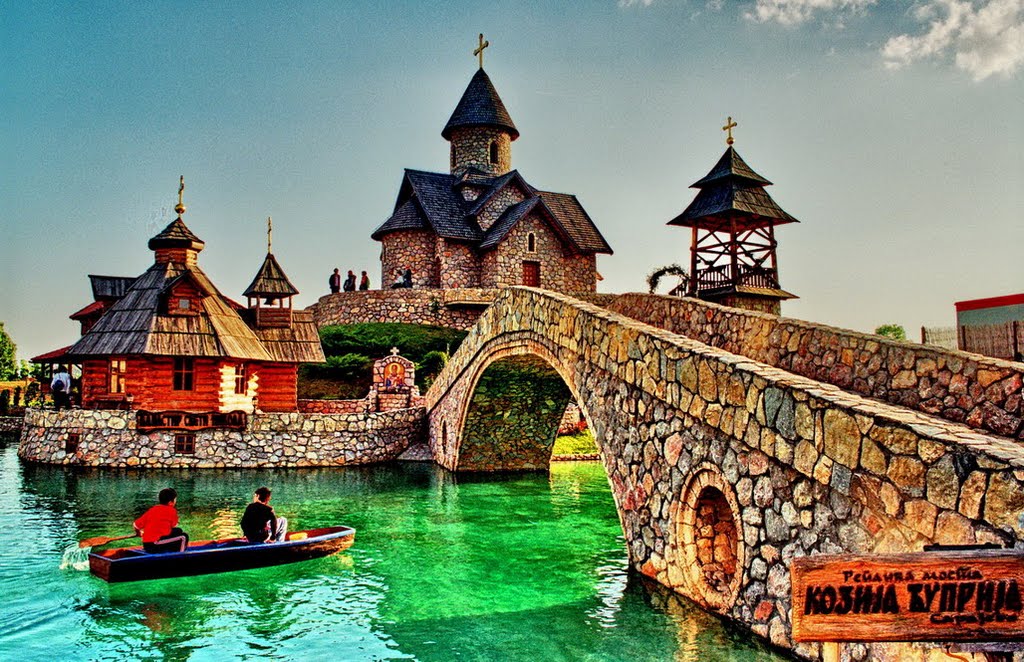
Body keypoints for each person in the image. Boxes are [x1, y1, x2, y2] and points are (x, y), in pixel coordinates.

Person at [134, 487, 189, 553]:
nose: (175, 502)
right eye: (175, 500)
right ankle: (180, 555)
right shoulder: (171, 510)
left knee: (178, 530)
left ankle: (171, 550)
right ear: (170, 502)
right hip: (155, 544)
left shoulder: (152, 509)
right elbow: (173, 525)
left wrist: (139, 533)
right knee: (184, 536)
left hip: (146, 545)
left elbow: (135, 525)